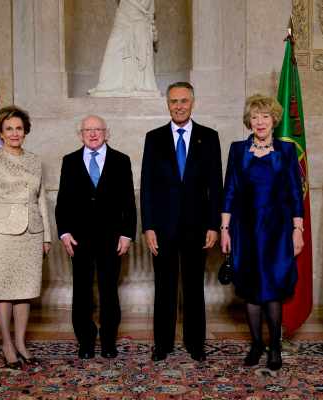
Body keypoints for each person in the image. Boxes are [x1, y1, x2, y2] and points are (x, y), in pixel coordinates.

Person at [220, 94, 304, 371]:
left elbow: (294, 192)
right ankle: (257, 344)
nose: (260, 121)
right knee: (251, 288)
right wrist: (224, 229)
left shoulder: (287, 151)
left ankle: (275, 346)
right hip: (244, 230)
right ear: (249, 121)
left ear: (273, 120)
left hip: (278, 231)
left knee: (273, 288)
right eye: (255, 117)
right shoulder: (237, 150)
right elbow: (229, 190)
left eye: (265, 116)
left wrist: (298, 229)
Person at [140, 82, 223, 362]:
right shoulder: (154, 138)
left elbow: (216, 185)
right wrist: (148, 226)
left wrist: (214, 225)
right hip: (162, 228)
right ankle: (162, 344)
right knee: (164, 287)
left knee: (193, 287)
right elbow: (147, 186)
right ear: (167, 103)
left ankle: (195, 343)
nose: (179, 106)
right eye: (174, 101)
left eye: (184, 101)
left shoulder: (209, 137)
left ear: (193, 102)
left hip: (197, 227)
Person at [55, 115, 137, 359]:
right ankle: (86, 342)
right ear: (80, 134)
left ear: (106, 133)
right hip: (78, 239)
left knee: (109, 290)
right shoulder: (69, 161)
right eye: (88, 130)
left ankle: (109, 341)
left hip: (111, 238)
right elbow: (63, 202)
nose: (93, 134)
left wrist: (127, 234)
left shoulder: (121, 160)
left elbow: (128, 203)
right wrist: (64, 232)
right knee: (81, 291)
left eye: (98, 129)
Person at [0, 105, 51, 369]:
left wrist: (47, 235)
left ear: (25, 131)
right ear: (0, 132)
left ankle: (21, 343)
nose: (15, 133)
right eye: (9, 129)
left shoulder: (34, 159)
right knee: (3, 290)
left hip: (32, 233)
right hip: (2, 235)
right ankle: (6, 344)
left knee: (25, 292)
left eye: (19, 128)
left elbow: (41, 197)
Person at [88, 0, 160, 97]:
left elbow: (151, 13)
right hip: (124, 16)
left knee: (140, 55)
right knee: (113, 50)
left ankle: (139, 85)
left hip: (141, 19)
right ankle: (106, 86)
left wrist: (151, 28)